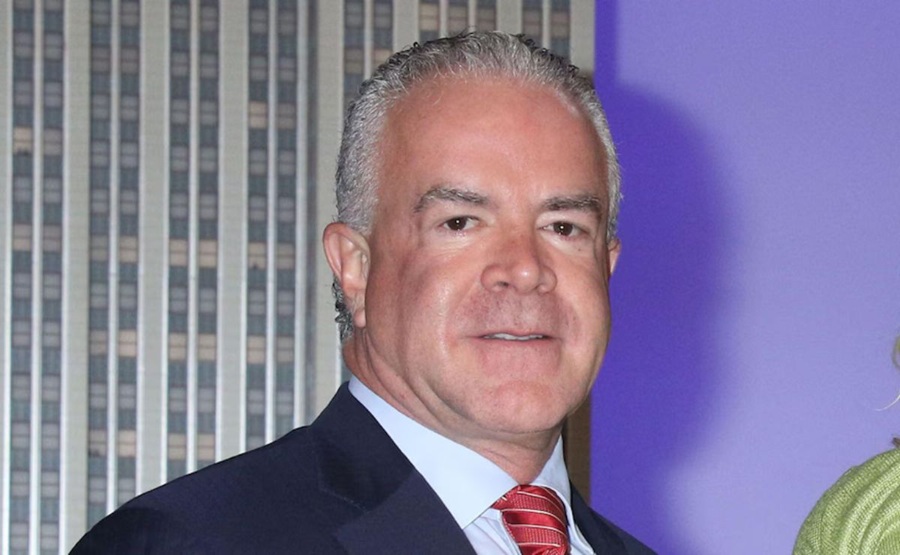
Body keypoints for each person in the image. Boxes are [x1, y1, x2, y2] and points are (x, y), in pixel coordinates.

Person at [73, 32, 654, 554]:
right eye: (460, 223)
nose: (525, 270)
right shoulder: (188, 542)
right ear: (355, 268)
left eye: (563, 227)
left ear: (606, 269)